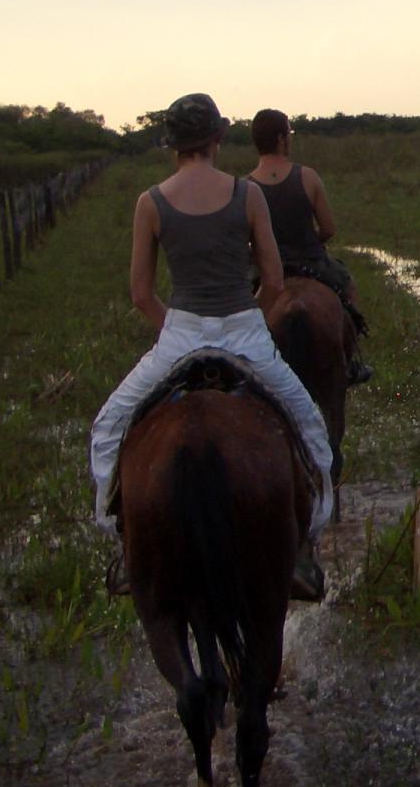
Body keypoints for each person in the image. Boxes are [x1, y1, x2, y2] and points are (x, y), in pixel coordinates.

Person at [87, 93, 337, 600]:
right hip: (245, 332)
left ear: (172, 145)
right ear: (219, 139)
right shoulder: (247, 195)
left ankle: (127, 544)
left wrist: (176, 329)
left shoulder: (149, 202)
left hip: (179, 334)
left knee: (108, 430)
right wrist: (252, 324)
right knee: (312, 432)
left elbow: (140, 294)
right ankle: (304, 546)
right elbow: (271, 279)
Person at [246, 108, 373, 385]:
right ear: (281, 139)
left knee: (240, 311)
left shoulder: (245, 187)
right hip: (312, 262)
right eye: (288, 134)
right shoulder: (307, 177)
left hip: (266, 272)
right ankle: (351, 361)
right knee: (347, 287)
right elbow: (328, 229)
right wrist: (307, 243)